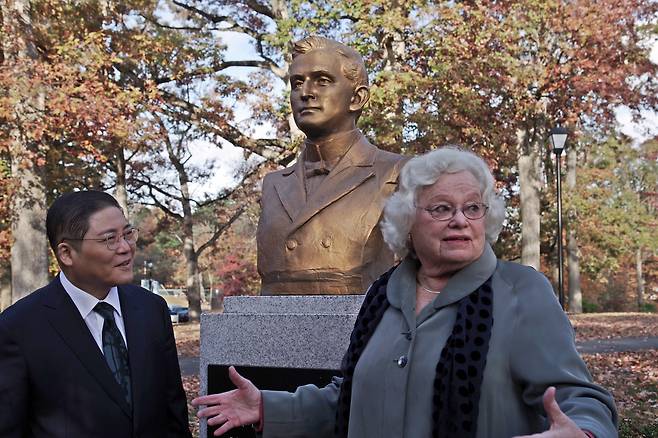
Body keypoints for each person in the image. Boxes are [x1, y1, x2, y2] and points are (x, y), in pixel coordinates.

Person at [193, 147, 618, 438]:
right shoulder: (384, 294)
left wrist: (583, 429)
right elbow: (349, 397)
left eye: (473, 208)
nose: (460, 220)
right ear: (407, 220)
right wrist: (267, 406)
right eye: (441, 208)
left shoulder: (521, 291)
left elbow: (576, 397)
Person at [0, 191, 192, 438]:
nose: (125, 248)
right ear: (67, 253)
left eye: (127, 234)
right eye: (110, 239)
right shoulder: (19, 327)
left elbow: (173, 409)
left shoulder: (151, 309)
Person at [257, 36, 407, 295]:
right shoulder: (273, 184)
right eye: (297, 83)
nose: (306, 93)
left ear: (357, 98)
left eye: (323, 81)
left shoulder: (398, 173)